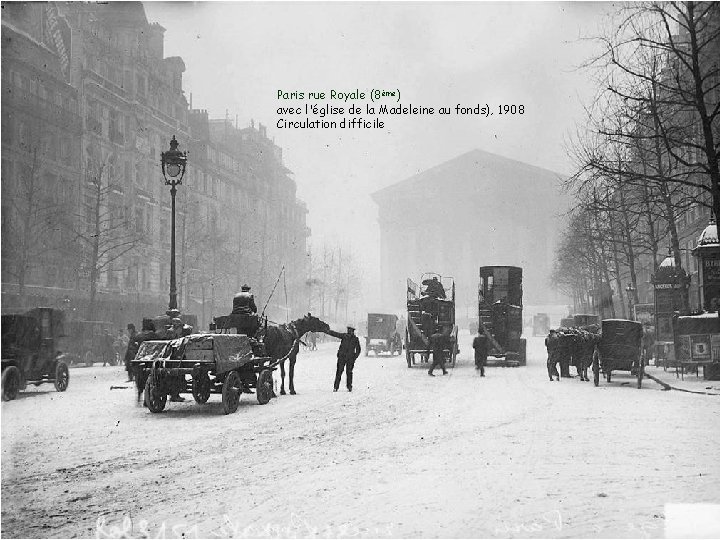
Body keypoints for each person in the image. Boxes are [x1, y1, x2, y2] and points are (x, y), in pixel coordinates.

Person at [326, 326, 362, 392]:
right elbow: (336, 334)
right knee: (339, 372)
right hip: (342, 357)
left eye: (350, 331)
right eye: (348, 330)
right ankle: (336, 387)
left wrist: (354, 357)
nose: (349, 332)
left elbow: (358, 349)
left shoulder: (355, 339)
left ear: (353, 331)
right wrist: (328, 331)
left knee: (349, 373)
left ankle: (349, 387)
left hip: (350, 359)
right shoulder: (344, 336)